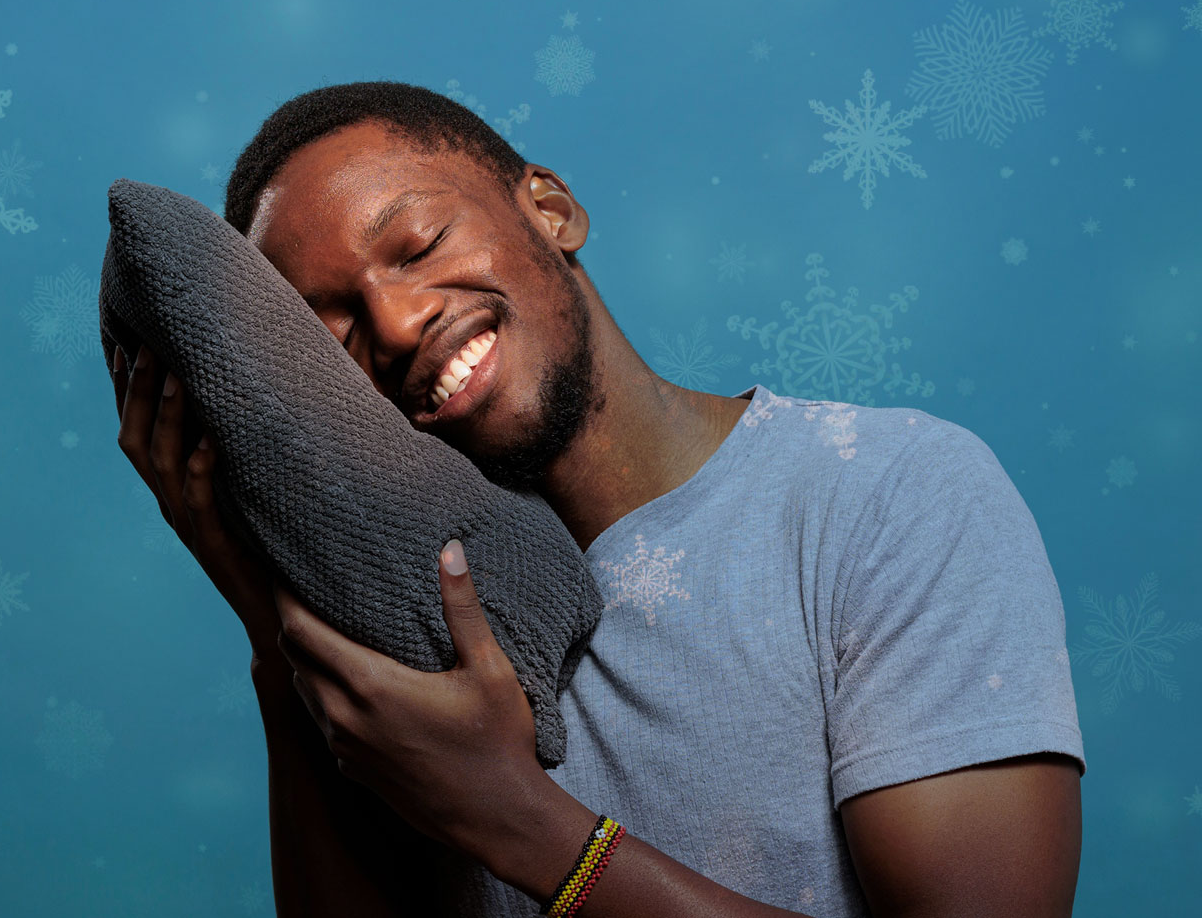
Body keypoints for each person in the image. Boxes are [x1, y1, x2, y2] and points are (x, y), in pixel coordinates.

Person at [110, 81, 1085, 917]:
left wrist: (522, 821)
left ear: (550, 209)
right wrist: (277, 636)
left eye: (415, 244)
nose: (398, 323)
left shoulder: (885, 492)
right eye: (338, 336)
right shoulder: (410, 626)